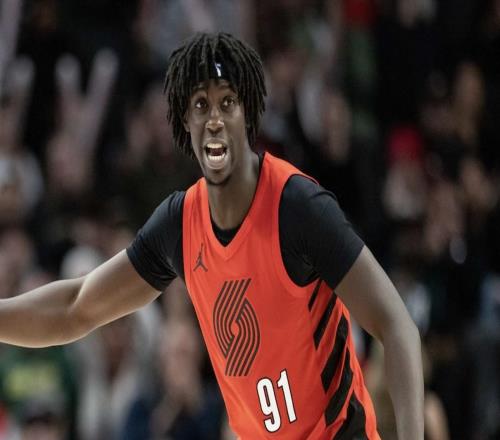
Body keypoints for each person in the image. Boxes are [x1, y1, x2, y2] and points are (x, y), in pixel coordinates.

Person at [0, 32, 423, 439]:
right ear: (185, 120)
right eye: (201, 105)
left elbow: (397, 325)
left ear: (248, 113)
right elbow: (77, 307)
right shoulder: (179, 224)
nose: (215, 119)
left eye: (227, 102)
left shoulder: (298, 208)